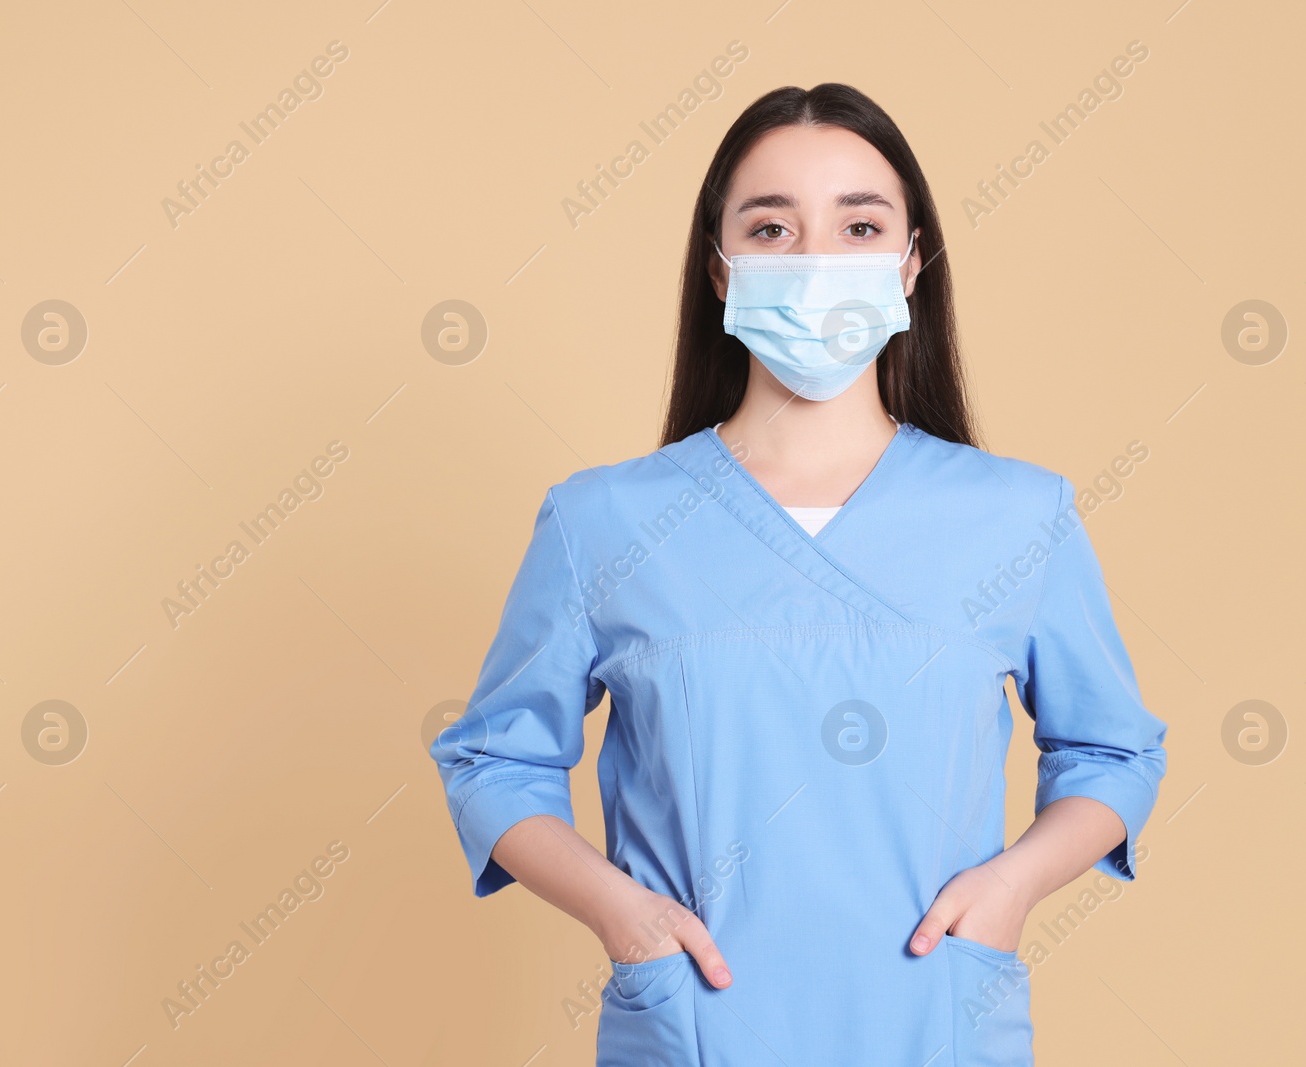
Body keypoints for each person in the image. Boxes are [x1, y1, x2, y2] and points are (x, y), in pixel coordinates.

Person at [429, 82, 1168, 1066]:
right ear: (720, 267)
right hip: (699, 1024)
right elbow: (494, 757)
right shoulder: (605, 521)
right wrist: (624, 914)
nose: (818, 259)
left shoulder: (1017, 516)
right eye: (772, 227)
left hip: (933, 1019)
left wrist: (1013, 886)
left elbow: (1112, 751)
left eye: (859, 225)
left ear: (909, 264)